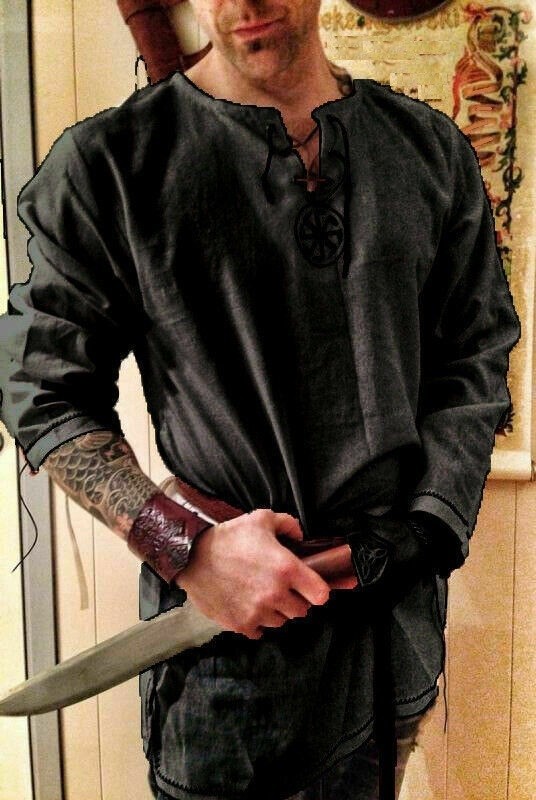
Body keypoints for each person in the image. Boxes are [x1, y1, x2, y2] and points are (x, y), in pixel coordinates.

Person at [0, 1, 520, 798]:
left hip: (393, 626)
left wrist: (428, 525)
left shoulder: (427, 149)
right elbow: (40, 386)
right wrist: (185, 547)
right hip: (228, 668)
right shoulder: (109, 165)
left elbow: (472, 356)